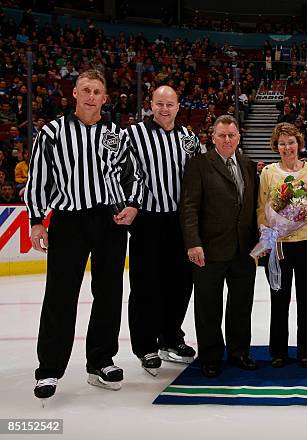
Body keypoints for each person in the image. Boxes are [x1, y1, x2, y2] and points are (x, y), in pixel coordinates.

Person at [24, 69, 142, 401]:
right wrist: (36, 220)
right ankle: (49, 369)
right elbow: (39, 180)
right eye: (85, 90)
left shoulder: (117, 134)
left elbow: (132, 175)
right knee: (60, 295)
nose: (91, 96)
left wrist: (132, 205)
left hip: (110, 220)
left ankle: (101, 361)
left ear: (105, 99)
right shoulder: (51, 132)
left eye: (97, 91)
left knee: (108, 293)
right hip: (69, 221)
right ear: (74, 94)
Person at [125, 85, 201, 375]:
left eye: (170, 104)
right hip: (147, 220)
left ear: (179, 106)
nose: (165, 109)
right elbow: (120, 172)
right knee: (145, 284)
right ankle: (145, 345)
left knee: (181, 282)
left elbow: (197, 177)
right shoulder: (132, 135)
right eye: (159, 103)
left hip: (180, 221)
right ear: (151, 105)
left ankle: (171, 336)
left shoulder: (188, 138)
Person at [180, 115, 259, 378]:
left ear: (239, 137)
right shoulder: (199, 164)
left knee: (240, 305)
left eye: (232, 135)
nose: (227, 140)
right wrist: (193, 242)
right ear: (212, 137)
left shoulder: (248, 165)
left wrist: (259, 242)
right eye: (222, 135)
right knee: (208, 307)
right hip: (209, 250)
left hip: (243, 250)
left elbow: (252, 207)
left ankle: (239, 352)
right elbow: (189, 207)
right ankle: (210, 356)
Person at [257, 122, 307, 368]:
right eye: (282, 143)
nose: (287, 147)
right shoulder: (268, 173)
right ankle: (278, 352)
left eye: (291, 142)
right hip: (279, 245)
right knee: (279, 298)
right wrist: (266, 241)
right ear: (276, 146)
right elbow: (261, 209)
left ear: (299, 143)